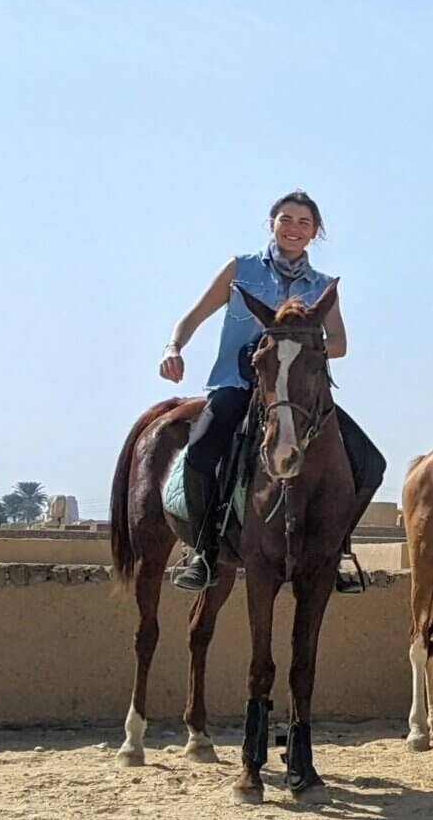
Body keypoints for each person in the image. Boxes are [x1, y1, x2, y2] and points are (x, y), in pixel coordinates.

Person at [158, 192, 386, 592]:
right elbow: (193, 316)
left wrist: (295, 352)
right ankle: (204, 551)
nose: (294, 228)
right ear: (271, 224)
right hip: (238, 385)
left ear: (315, 232)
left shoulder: (322, 286)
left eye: (304, 222)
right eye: (286, 219)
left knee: (370, 463)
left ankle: (337, 551)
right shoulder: (240, 268)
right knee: (200, 453)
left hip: (299, 395)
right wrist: (173, 347)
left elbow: (339, 343)